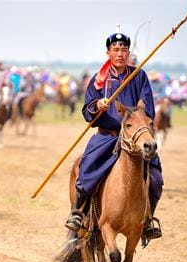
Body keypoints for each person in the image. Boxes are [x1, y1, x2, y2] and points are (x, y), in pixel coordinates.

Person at [64, 33, 163, 244]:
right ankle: (78, 212)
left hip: (134, 136)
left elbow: (148, 107)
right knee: (86, 169)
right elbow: (86, 111)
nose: (120, 54)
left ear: (128, 53)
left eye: (124, 50)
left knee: (156, 179)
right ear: (108, 53)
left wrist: (137, 114)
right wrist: (97, 106)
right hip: (107, 137)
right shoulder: (98, 80)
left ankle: (147, 221)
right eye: (116, 50)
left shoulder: (139, 76)